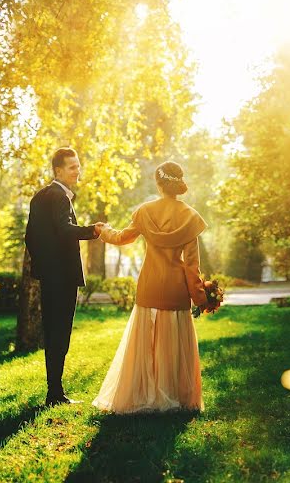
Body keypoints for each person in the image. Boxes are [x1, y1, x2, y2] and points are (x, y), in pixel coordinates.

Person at [93, 160, 207, 413]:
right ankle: (175, 398)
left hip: (150, 285)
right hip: (176, 289)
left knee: (147, 347)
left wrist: (103, 230)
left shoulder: (145, 212)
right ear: (179, 183)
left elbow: (122, 237)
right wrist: (201, 297)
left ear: (158, 183)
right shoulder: (190, 217)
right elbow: (191, 266)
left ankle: (145, 395)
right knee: (173, 347)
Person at [25, 147, 104, 406]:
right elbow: (64, 229)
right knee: (61, 333)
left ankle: (54, 391)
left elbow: (30, 238)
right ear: (58, 170)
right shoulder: (60, 197)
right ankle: (55, 393)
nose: (77, 170)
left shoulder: (39, 197)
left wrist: (44, 267)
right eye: (72, 167)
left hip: (50, 277)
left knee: (53, 332)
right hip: (64, 278)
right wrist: (92, 230)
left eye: (78, 165)